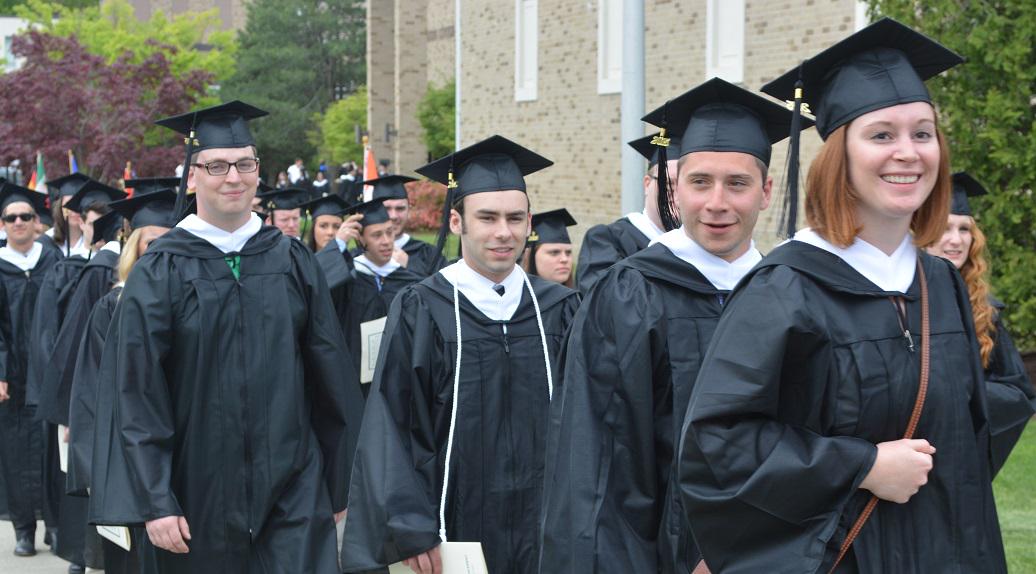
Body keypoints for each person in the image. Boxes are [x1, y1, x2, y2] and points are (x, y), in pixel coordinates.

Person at [679, 18, 1021, 573]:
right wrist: (859, 465)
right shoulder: (787, 288)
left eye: (923, 133)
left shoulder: (939, 284)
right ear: (841, 154)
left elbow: (967, 455)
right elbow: (718, 443)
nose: (908, 152)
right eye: (881, 134)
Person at [540, 78, 806, 574]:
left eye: (738, 183)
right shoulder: (628, 295)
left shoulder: (793, 296)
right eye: (700, 182)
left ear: (767, 191)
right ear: (674, 190)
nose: (717, 202)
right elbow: (598, 469)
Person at [87, 100, 365, 574]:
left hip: (292, 489)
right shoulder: (162, 268)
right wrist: (155, 498)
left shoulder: (291, 260)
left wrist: (340, 484)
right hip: (194, 494)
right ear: (192, 177)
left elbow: (329, 375)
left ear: (258, 172)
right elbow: (136, 391)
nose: (232, 177)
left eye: (244, 164)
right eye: (217, 165)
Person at [340, 135, 580, 574]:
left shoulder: (560, 310)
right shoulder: (423, 307)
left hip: (547, 530)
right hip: (453, 528)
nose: (503, 232)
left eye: (514, 218)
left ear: (529, 222)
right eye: (486, 217)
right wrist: (412, 528)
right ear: (456, 222)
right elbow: (392, 421)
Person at [67, 189, 180, 574]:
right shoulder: (112, 307)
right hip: (128, 461)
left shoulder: (197, 303)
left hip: (187, 462)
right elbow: (88, 395)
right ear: (135, 246)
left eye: (171, 242)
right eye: (152, 242)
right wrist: (96, 472)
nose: (161, 251)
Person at [37, 178, 126, 574]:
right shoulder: (99, 271)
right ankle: (84, 557)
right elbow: (74, 344)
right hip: (96, 398)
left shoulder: (103, 267)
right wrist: (72, 410)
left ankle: (83, 557)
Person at [924, 172, 1035, 468]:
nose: (956, 240)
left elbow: (1018, 394)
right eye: (945, 227)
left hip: (961, 458)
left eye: (964, 229)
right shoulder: (895, 301)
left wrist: (964, 394)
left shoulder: (984, 311)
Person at [0, 181, 61, 558]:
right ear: (3, 224)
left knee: (53, 450)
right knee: (16, 450)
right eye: (11, 217)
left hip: (50, 370)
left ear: (37, 222)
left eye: (25, 216)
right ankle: (24, 529)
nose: (19, 222)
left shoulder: (53, 259)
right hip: (13, 378)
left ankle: (56, 524)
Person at [322, 198, 423, 381]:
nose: (386, 241)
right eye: (376, 235)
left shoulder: (409, 281)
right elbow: (317, 287)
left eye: (389, 232)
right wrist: (338, 244)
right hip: (352, 376)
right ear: (360, 238)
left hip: (398, 376)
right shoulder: (348, 279)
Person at [574, 133, 678, 295]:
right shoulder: (605, 241)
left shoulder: (701, 247)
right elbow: (603, 304)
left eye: (687, 184)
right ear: (647, 184)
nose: (675, 193)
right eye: (667, 183)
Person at [360, 174, 447, 277]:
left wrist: (409, 265)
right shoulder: (358, 256)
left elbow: (442, 290)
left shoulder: (428, 254)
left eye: (400, 208)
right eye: (387, 208)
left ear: (409, 209)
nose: (393, 216)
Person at [522, 208, 577, 287]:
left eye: (568, 253)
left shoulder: (579, 298)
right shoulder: (516, 297)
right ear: (532, 256)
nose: (565, 259)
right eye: (554, 252)